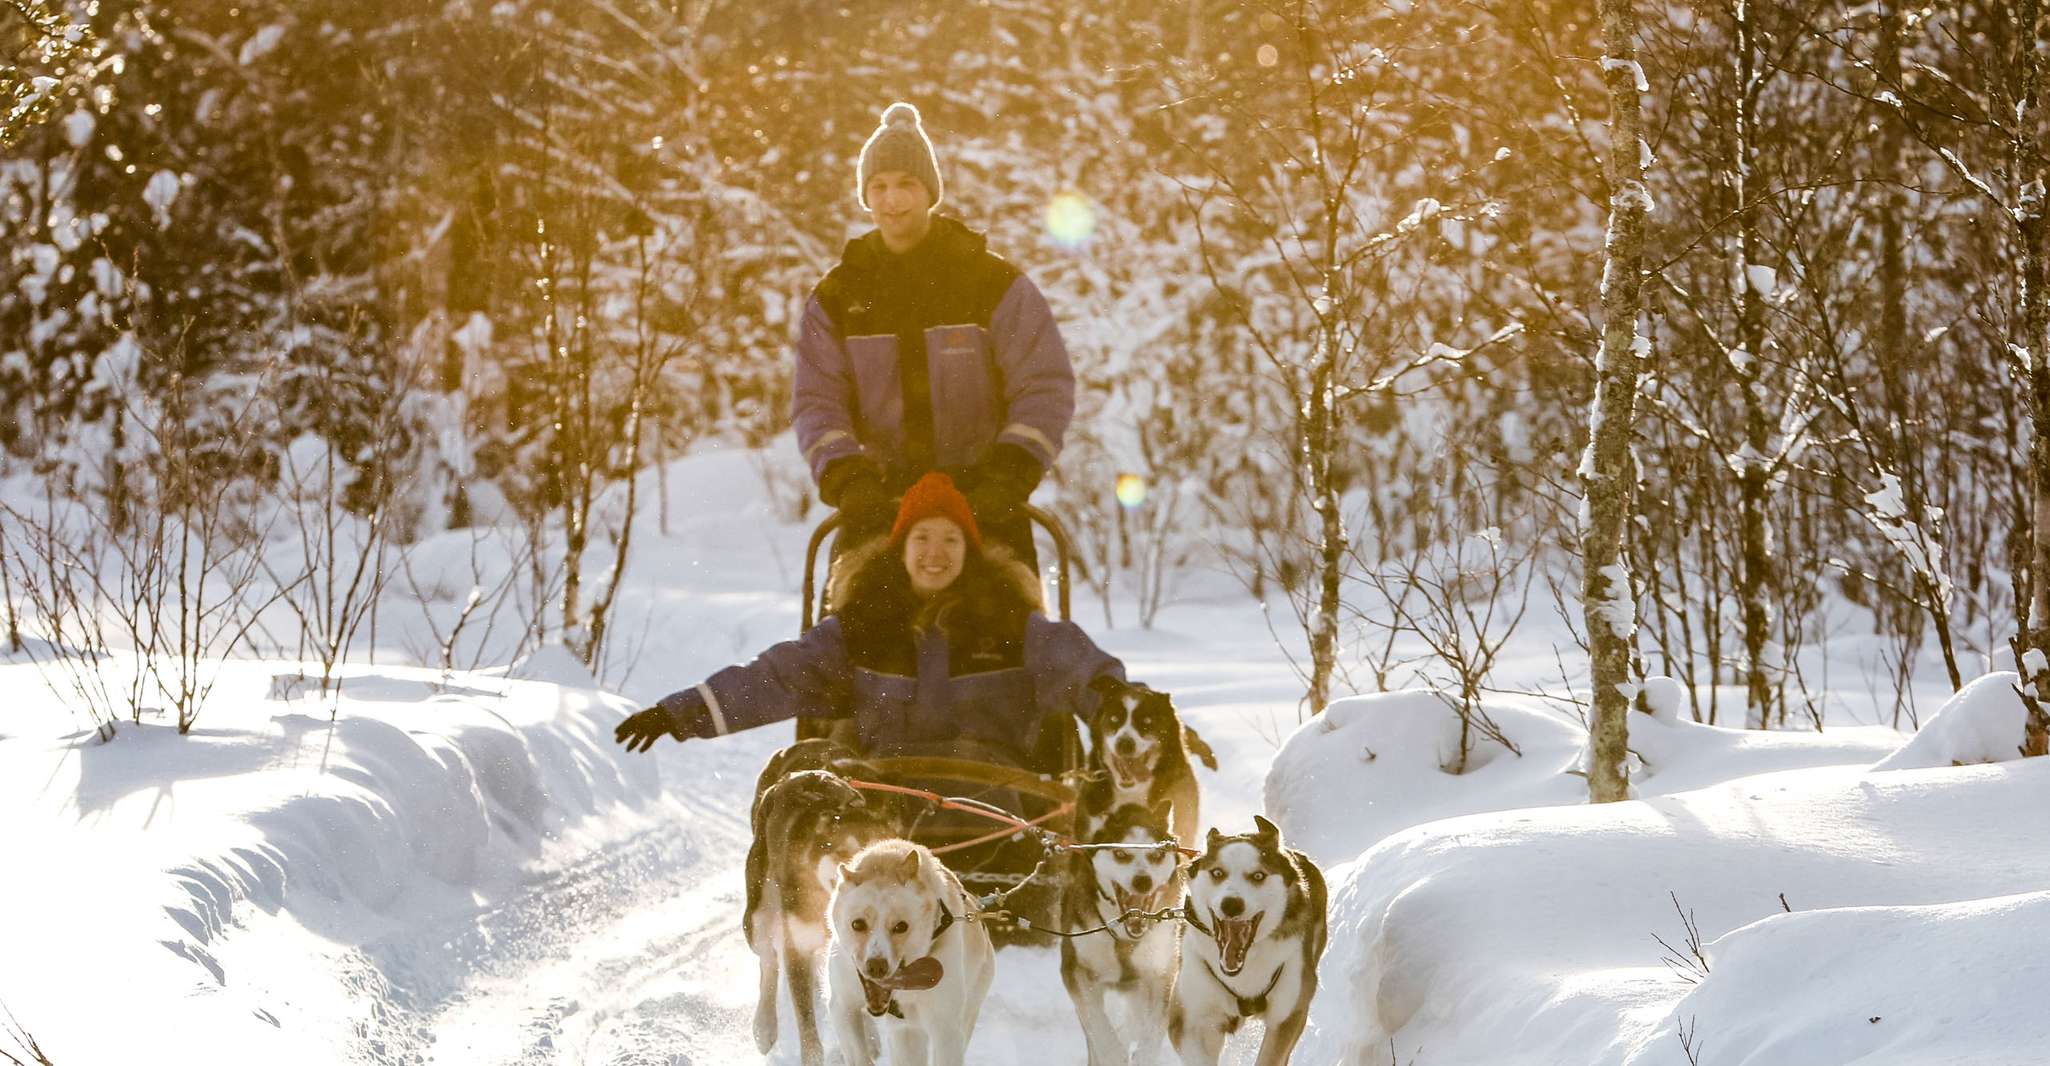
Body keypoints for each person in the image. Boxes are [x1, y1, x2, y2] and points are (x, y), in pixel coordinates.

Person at [614, 472, 1120, 766]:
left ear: (971, 549)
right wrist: (678, 714)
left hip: (994, 801)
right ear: (901, 550)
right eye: (922, 538)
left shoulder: (1010, 620)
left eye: (950, 539)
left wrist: (1125, 708)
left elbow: (1079, 666)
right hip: (881, 799)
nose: (935, 553)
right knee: (801, 776)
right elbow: (777, 676)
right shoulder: (862, 625)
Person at [793, 101, 1076, 569]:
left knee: (1003, 634)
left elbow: (1044, 384)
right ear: (865, 195)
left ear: (930, 191)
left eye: (906, 184)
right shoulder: (839, 295)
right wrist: (847, 477)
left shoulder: (991, 283)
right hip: (878, 506)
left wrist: (1010, 473)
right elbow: (816, 401)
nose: (892, 199)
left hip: (985, 501)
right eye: (879, 187)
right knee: (858, 635)